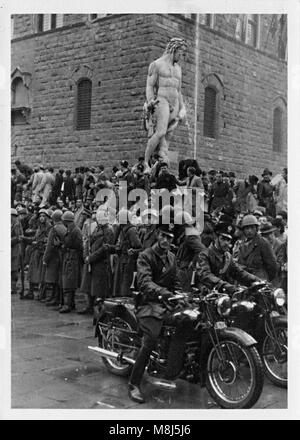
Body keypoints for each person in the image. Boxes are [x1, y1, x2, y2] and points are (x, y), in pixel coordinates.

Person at [128, 223, 188, 404]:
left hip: (167, 303)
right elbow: (145, 283)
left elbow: (176, 282)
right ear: (157, 235)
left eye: (169, 237)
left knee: (187, 321)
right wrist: (165, 293)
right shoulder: (145, 256)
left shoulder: (171, 256)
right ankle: (134, 384)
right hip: (149, 304)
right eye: (163, 236)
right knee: (150, 339)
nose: (165, 240)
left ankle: (173, 368)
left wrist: (180, 297)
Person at [143, 37, 187, 170]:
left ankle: (162, 159)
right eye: (181, 53)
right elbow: (150, 86)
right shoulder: (157, 64)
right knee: (160, 131)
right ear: (174, 49)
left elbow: (178, 90)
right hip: (161, 100)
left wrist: (183, 107)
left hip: (175, 102)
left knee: (168, 134)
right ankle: (146, 162)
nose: (182, 56)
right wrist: (151, 101)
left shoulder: (178, 68)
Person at [196, 221, 260, 294]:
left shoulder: (228, 256)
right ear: (215, 238)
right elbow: (205, 275)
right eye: (223, 239)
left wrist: (256, 279)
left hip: (221, 294)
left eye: (228, 240)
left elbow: (238, 272)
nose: (226, 243)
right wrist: (226, 286)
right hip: (203, 294)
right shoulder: (204, 255)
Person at [237, 214, 278, 282]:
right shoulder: (241, 244)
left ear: (256, 229)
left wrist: (266, 280)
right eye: (247, 228)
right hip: (245, 280)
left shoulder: (263, 242)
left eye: (252, 228)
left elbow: (272, 266)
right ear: (243, 230)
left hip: (260, 280)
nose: (249, 231)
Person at [60, 211, 83, 313]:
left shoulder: (75, 231)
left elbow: (78, 245)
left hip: (72, 258)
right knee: (69, 280)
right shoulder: (71, 229)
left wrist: (66, 246)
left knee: (68, 281)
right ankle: (70, 303)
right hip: (69, 257)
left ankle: (67, 304)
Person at [11, 208, 23, 296]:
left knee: (14, 270)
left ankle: (13, 288)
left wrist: (8, 241)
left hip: (15, 249)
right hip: (11, 249)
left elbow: (18, 237)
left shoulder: (16, 224)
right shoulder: (12, 223)